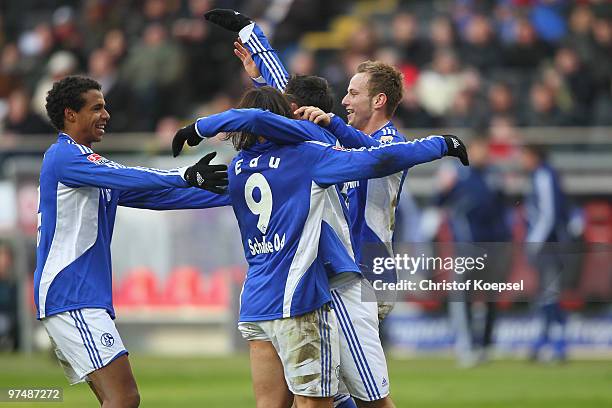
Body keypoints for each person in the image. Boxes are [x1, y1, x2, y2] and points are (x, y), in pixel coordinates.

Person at [202, 11, 468, 407]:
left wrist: (442, 143)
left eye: (353, 94)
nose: (343, 101)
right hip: (335, 275)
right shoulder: (336, 139)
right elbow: (290, 101)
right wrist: (254, 41)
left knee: (365, 398)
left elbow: (379, 156)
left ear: (378, 101)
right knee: (321, 390)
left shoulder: (387, 141)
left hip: (358, 276)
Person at [35, 75, 228, 407]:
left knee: (115, 399)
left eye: (105, 107)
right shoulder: (64, 157)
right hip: (71, 295)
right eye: (96, 108)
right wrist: (184, 173)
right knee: (125, 398)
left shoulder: (87, 166)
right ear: (70, 114)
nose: (106, 115)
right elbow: (127, 175)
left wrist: (232, 194)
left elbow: (159, 196)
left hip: (80, 296)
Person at [435, 137, 511, 366]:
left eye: (484, 149)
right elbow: (439, 202)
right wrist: (443, 188)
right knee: (462, 297)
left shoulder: (494, 174)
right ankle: (465, 347)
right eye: (478, 149)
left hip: (494, 247)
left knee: (490, 297)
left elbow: (503, 207)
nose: (481, 153)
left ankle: (486, 346)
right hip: (466, 248)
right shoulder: (458, 174)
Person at [520, 144, 569, 362]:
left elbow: (548, 215)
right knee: (546, 292)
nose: (523, 161)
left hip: (550, 244)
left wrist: (533, 241)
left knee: (550, 292)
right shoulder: (541, 176)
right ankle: (545, 339)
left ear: (534, 156)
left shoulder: (543, 176)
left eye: (525, 156)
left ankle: (557, 343)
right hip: (548, 243)